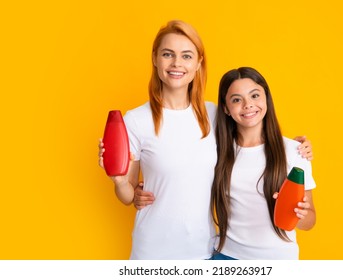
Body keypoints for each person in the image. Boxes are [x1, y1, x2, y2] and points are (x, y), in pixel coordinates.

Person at [99, 20, 313, 260]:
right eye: (168, 54)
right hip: (152, 252)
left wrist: (295, 148)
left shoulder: (214, 115)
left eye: (187, 56)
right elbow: (128, 197)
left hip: (203, 251)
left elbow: (252, 135)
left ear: (199, 62)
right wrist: (119, 182)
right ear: (155, 58)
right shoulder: (136, 120)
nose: (177, 63)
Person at [209, 67, 316, 260]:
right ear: (225, 108)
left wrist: (298, 212)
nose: (248, 105)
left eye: (255, 95)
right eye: (236, 99)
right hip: (226, 257)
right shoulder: (216, 151)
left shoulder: (294, 151)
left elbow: (309, 222)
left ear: (266, 98)